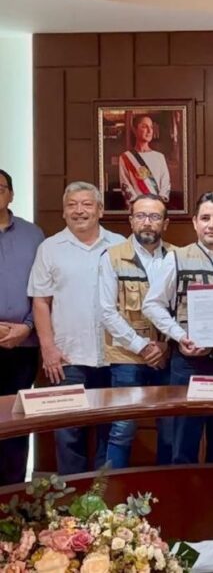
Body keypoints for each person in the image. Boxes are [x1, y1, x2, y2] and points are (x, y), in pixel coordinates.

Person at [143, 192, 213, 464]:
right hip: (188, 364)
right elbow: (152, 304)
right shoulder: (177, 258)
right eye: (205, 218)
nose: (211, 225)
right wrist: (180, 336)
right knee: (182, 444)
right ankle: (184, 493)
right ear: (195, 222)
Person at [28, 182, 125, 475]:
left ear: (100, 210)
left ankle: (104, 494)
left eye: (86, 204)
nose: (79, 211)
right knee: (68, 433)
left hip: (114, 355)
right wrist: (48, 348)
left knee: (111, 431)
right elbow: (40, 301)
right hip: (67, 357)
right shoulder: (49, 248)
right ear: (63, 211)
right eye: (72, 205)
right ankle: (72, 496)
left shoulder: (120, 244)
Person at [98, 194, 175, 468]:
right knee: (122, 428)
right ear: (131, 221)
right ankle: (109, 493)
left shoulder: (178, 257)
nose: (147, 222)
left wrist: (166, 345)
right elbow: (107, 312)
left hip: (168, 355)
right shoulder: (112, 257)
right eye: (141, 216)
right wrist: (142, 346)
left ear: (165, 223)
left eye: (154, 217)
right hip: (126, 356)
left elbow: (183, 310)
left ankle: (168, 490)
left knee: (170, 429)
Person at [0, 169, 44, 485]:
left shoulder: (34, 235)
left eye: (0, 187)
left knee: (16, 418)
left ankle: (13, 493)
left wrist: (27, 327)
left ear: (11, 194)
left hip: (22, 344)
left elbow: (43, 290)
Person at [118, 114, 171, 206]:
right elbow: (125, 183)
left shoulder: (159, 157)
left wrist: (159, 201)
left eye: (151, 127)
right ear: (135, 130)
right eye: (144, 127)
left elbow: (166, 182)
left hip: (157, 205)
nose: (149, 131)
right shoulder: (126, 157)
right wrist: (137, 203)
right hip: (137, 206)